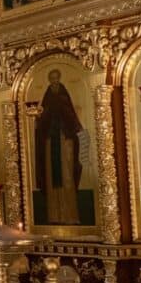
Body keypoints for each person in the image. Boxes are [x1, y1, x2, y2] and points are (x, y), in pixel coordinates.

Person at [35, 70, 84, 225]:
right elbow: (42, 120)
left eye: (56, 79)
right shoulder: (47, 98)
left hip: (65, 140)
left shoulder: (64, 97)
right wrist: (39, 118)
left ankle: (70, 215)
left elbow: (71, 117)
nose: (54, 82)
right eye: (52, 80)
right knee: (52, 178)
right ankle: (54, 215)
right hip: (51, 142)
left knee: (67, 177)